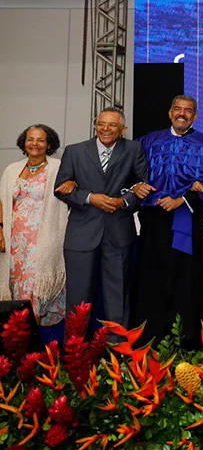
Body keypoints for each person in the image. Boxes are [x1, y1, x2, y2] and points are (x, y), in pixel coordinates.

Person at [131, 95, 203, 347]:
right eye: (178, 110)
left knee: (185, 279)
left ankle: (185, 339)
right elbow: (132, 174)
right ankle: (149, 338)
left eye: (188, 111)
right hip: (153, 218)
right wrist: (138, 186)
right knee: (152, 276)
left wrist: (182, 200)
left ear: (195, 116)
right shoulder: (147, 142)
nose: (183, 114)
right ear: (170, 113)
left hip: (186, 218)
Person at [54, 107, 148, 333]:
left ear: (122, 129)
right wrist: (89, 197)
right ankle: (76, 355)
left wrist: (123, 202)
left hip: (118, 232)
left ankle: (118, 351)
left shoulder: (134, 149)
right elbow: (60, 189)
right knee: (78, 298)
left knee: (118, 298)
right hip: (82, 235)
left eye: (112, 125)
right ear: (95, 126)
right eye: (101, 124)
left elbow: (142, 184)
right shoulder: (75, 151)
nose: (105, 129)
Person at [0, 125, 68, 326]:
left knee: (36, 287)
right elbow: (2, 201)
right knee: (15, 288)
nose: (35, 144)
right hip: (15, 242)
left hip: (43, 239)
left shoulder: (59, 167)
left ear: (49, 144)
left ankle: (32, 339)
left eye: (40, 140)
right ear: (24, 142)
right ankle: (18, 335)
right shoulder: (12, 169)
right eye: (30, 139)